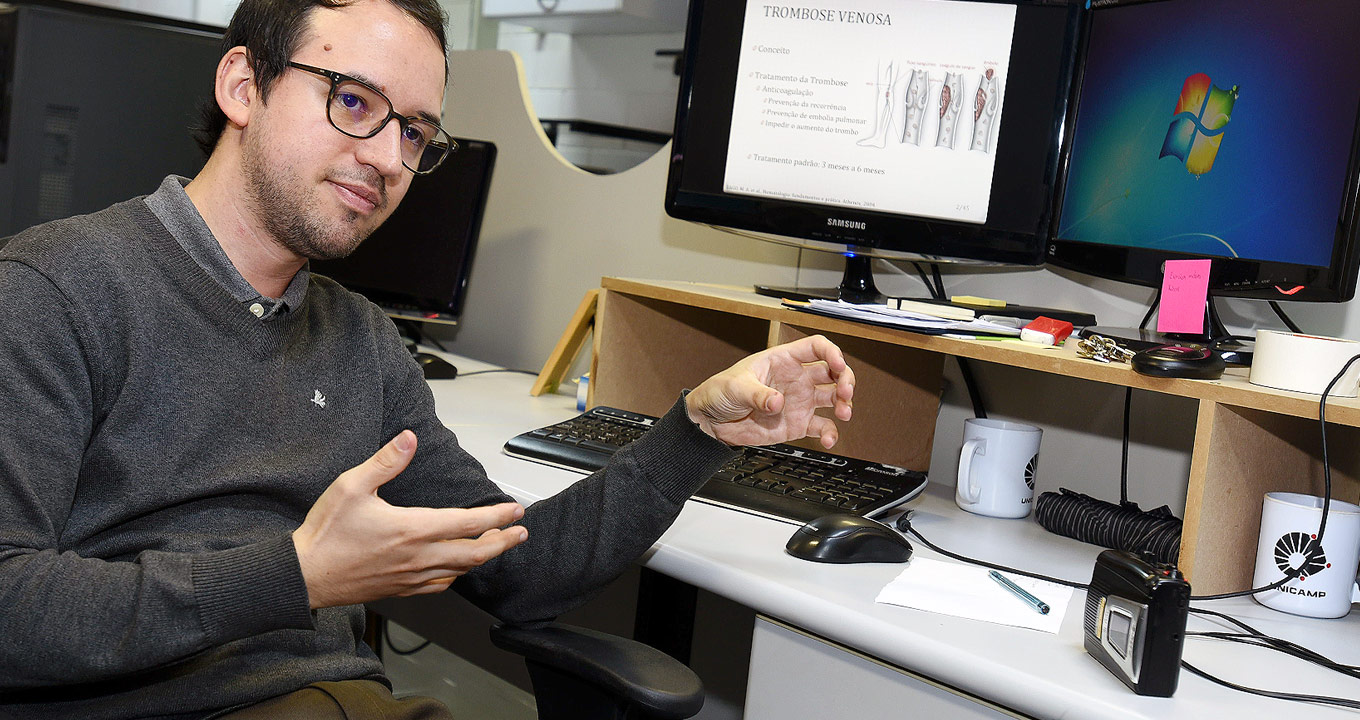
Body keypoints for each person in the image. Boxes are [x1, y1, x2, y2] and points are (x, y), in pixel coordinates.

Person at [0, 0, 855, 716]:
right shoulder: (54, 290)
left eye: (414, 132)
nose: (385, 159)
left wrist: (696, 430)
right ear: (241, 87)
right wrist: (294, 575)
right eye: (353, 102)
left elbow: (514, 567)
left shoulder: (361, 342)